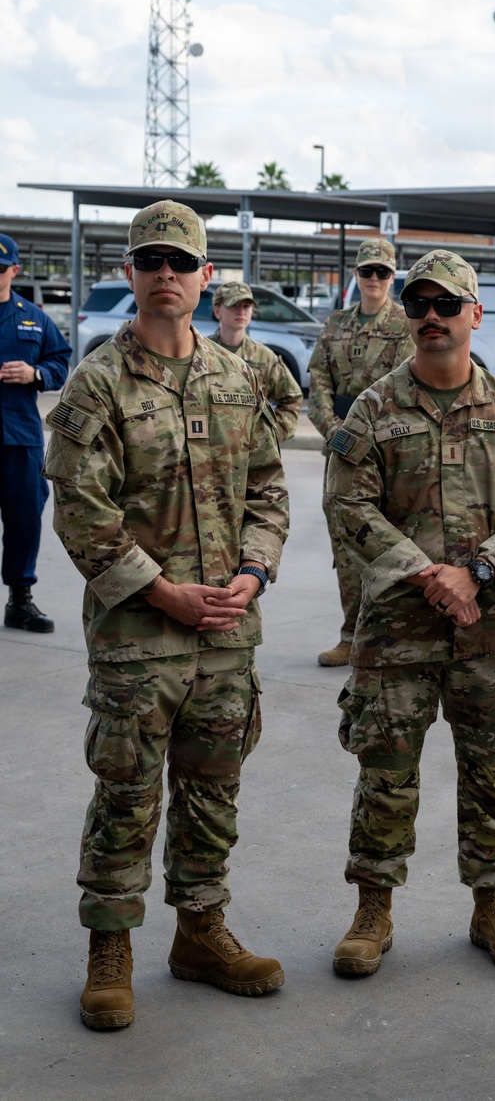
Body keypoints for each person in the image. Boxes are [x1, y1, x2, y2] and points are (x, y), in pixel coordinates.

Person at [44, 201, 290, 1032]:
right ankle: (109, 948)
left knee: (213, 790)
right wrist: (161, 591)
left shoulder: (236, 379)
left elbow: (268, 489)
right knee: (126, 792)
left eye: (180, 262)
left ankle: (200, 931)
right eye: (150, 259)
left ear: (205, 276)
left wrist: (254, 574)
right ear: (129, 273)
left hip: (226, 631)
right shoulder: (99, 382)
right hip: (138, 638)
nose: (165, 275)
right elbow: (80, 509)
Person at [327, 249, 495, 978]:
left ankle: (493, 904)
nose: (430, 316)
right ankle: (373, 908)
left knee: (492, 770)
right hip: (396, 629)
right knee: (385, 772)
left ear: (475, 315)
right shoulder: (373, 408)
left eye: (446, 304)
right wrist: (427, 573)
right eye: (418, 304)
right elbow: (347, 503)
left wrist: (476, 572)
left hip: (487, 628)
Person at [308, 237, 414, 667]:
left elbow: (406, 387)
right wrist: (336, 433)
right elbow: (317, 382)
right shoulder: (335, 325)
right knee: (346, 549)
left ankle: (391, 637)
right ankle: (351, 635)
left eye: (382, 272)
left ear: (393, 276)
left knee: (392, 545)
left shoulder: (405, 326)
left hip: (388, 453)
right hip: (341, 453)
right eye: (367, 271)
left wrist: (368, 436)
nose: (374, 279)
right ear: (356, 275)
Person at [0, 232, 71, 633]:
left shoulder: (33, 316)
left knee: (25, 518)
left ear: (14, 270)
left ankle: (19, 599)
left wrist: (36, 373)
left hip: (20, 436)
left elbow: (60, 361)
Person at [209, 281, 303, 442]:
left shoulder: (264, 357)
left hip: (252, 455)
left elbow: (292, 398)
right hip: (211, 450)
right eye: (234, 305)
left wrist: (271, 436)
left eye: (246, 306)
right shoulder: (203, 351)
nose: (241, 311)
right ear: (217, 311)